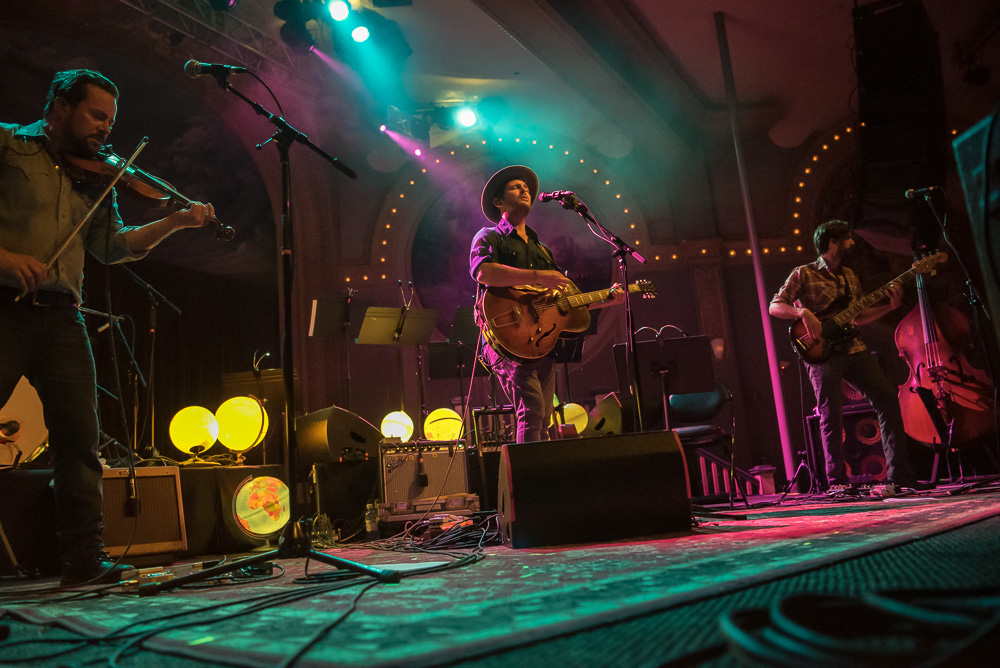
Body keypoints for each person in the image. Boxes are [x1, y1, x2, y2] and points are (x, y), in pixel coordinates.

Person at [0, 69, 215, 585]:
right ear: (58, 106)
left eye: (111, 121)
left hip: (61, 317)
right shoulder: (7, 143)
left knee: (80, 441)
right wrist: (3, 257)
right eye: (96, 115)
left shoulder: (95, 174)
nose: (105, 129)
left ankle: (83, 560)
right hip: (2, 307)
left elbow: (110, 246)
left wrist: (172, 223)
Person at [769, 219, 930, 493]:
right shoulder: (803, 274)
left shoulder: (850, 276)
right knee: (831, 415)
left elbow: (858, 316)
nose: (852, 243)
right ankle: (836, 483)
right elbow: (775, 306)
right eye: (847, 239)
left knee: (888, 398)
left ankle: (900, 477)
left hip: (853, 348)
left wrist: (888, 308)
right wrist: (802, 312)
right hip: (821, 354)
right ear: (832, 242)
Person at [469, 165, 625, 443]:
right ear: (498, 201)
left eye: (526, 187)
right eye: (516, 187)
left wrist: (605, 299)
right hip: (506, 339)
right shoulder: (488, 236)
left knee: (543, 418)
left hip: (539, 342)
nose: (525, 189)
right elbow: (483, 272)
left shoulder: (542, 249)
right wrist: (540, 276)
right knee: (531, 412)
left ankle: (537, 477)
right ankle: (529, 484)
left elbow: (561, 305)